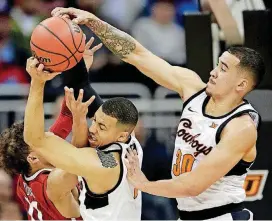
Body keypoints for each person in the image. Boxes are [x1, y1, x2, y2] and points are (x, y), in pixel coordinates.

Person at [51, 7, 265, 220]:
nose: (213, 72)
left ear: (241, 84)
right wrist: (94, 22)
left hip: (222, 216)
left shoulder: (240, 127)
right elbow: (137, 54)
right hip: (187, 214)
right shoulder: (191, 86)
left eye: (224, 68)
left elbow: (193, 186)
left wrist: (143, 184)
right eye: (217, 65)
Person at [23, 59, 143, 220]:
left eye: (101, 127)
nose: (93, 129)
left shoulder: (104, 163)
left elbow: (34, 139)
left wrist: (37, 82)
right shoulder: (130, 141)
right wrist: (75, 57)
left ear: (122, 135)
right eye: (94, 120)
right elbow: (82, 85)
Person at [0, 39, 103, 220]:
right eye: (43, 136)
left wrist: (80, 67)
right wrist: (80, 122)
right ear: (33, 157)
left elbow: (65, 116)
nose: (51, 136)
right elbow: (81, 160)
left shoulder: (30, 170)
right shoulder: (52, 184)